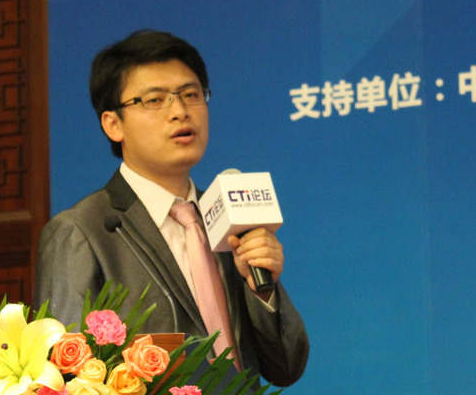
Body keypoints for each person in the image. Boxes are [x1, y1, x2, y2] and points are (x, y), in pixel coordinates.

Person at [34, 30, 308, 387]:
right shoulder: (82, 231)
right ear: (113, 124)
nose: (180, 111)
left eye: (191, 95)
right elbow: (66, 379)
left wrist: (263, 291)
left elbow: (287, 367)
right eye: (154, 100)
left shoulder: (227, 218)